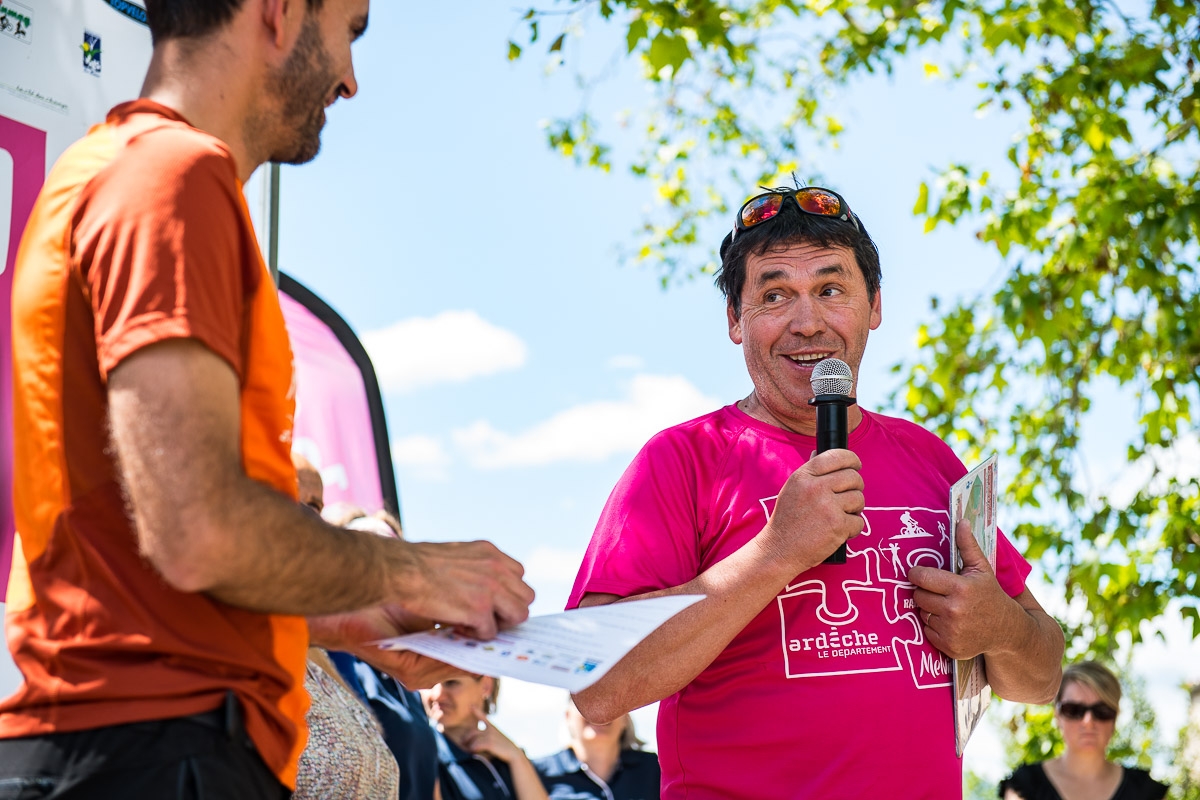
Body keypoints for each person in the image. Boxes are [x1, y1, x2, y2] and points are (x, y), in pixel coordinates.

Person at [0, 1, 534, 796]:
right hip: (149, 752)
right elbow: (201, 530)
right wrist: (412, 570)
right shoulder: (169, 175)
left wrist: (354, 619)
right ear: (280, 13)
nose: (351, 80)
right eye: (349, 31)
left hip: (141, 745)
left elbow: (152, 559)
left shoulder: (134, 170)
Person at [566, 184, 1066, 798]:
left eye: (831, 290)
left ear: (873, 305)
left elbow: (1041, 677)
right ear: (734, 321)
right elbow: (595, 685)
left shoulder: (928, 457)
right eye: (775, 295)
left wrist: (999, 630)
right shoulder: (683, 460)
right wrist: (776, 552)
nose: (807, 323)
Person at [291, 455, 400, 799]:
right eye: (288, 498)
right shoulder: (226, 644)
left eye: (315, 505)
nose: (308, 517)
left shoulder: (322, 655)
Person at [999, 661, 1169, 800]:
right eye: (1074, 710)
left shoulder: (1145, 790)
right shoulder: (1025, 785)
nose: (1088, 722)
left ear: (1115, 717)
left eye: (1101, 711)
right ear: (1057, 715)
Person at [423, 674, 549, 800]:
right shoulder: (422, 756)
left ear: (486, 685)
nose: (437, 695)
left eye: (451, 683)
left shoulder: (510, 758)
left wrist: (517, 757)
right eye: (428, 683)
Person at [534, 698, 660, 800]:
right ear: (568, 716)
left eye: (611, 701)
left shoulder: (657, 768)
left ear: (626, 718)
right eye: (587, 701)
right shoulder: (536, 773)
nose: (600, 711)